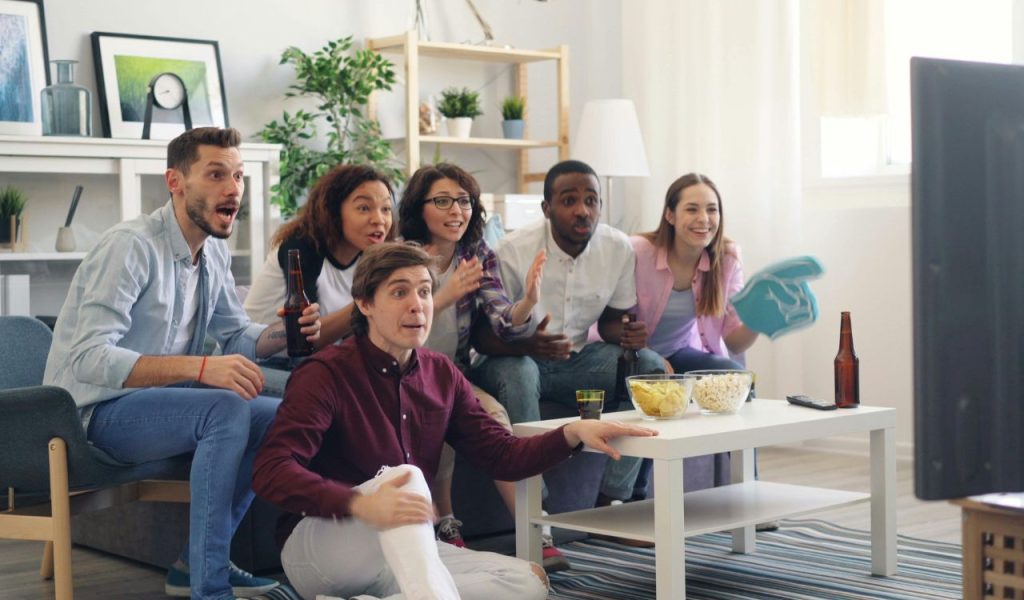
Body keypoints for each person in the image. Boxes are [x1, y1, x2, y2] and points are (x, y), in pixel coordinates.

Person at [252, 242, 656, 600]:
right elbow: (271, 472)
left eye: (425, 292)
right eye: (399, 292)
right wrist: (359, 502)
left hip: (406, 548)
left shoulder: (441, 373)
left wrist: (571, 434)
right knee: (407, 477)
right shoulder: (325, 373)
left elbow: (502, 456)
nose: (418, 304)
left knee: (527, 582)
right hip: (324, 542)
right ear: (365, 303)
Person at [43, 127, 322, 600]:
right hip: (90, 414)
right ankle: (209, 588)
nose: (233, 188)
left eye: (237, 175)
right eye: (216, 174)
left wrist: (288, 329)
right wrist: (199, 369)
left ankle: (193, 565)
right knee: (226, 408)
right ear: (175, 181)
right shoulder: (131, 247)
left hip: (155, 405)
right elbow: (89, 357)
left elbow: (237, 335)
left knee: (278, 415)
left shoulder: (212, 250)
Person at [469, 159, 665, 513]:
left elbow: (608, 324)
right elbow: (481, 338)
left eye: (591, 200)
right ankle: (534, 505)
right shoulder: (513, 250)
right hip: (512, 359)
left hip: (575, 360)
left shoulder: (617, 248)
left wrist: (628, 333)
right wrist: (528, 344)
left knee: (649, 367)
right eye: (569, 200)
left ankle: (614, 500)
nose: (582, 210)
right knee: (520, 370)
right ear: (547, 208)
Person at [396, 163, 566, 568]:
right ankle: (446, 524)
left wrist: (526, 301)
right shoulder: (399, 255)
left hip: (453, 371)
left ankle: (532, 530)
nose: (456, 210)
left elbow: (502, 319)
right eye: (443, 201)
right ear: (419, 207)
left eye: (464, 201)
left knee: (495, 417)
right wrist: (444, 293)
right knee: (438, 416)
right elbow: (393, 325)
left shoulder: (475, 254)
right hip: (400, 371)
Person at [243, 164, 395, 392]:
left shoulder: (368, 257)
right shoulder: (301, 248)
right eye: (364, 208)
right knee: (335, 395)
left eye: (386, 209)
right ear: (334, 211)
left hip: (313, 364)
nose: (379, 219)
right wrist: (368, 304)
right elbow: (306, 340)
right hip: (260, 362)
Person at [632, 173, 758, 374]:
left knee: (736, 376)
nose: (704, 219)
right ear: (670, 215)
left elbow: (734, 342)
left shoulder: (727, 259)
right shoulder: (638, 252)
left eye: (712, 210)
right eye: (692, 209)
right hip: (629, 352)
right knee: (652, 368)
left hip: (677, 352)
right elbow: (616, 324)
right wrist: (651, 357)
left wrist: (759, 318)